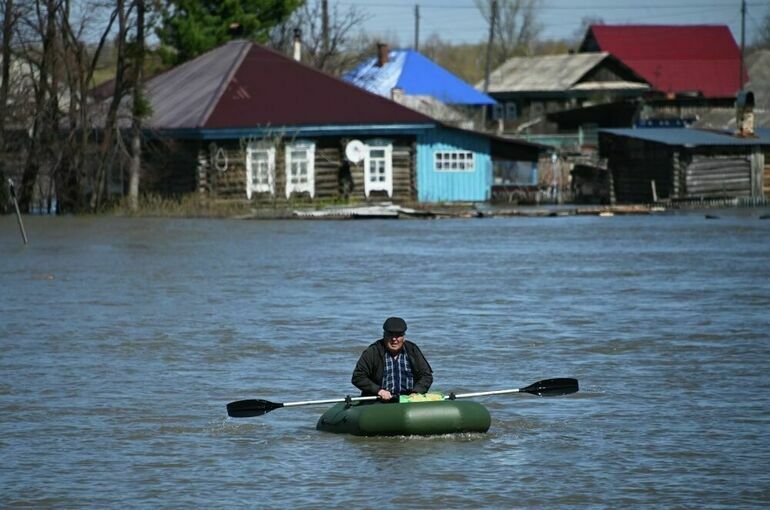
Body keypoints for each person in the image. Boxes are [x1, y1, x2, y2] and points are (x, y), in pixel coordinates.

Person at [352, 317, 433, 401]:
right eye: (390, 334)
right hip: (379, 401)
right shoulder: (372, 352)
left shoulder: (412, 350)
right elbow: (358, 377)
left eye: (398, 335)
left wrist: (416, 392)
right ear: (384, 335)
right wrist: (379, 390)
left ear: (403, 337)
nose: (394, 339)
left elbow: (426, 376)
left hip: (407, 400)